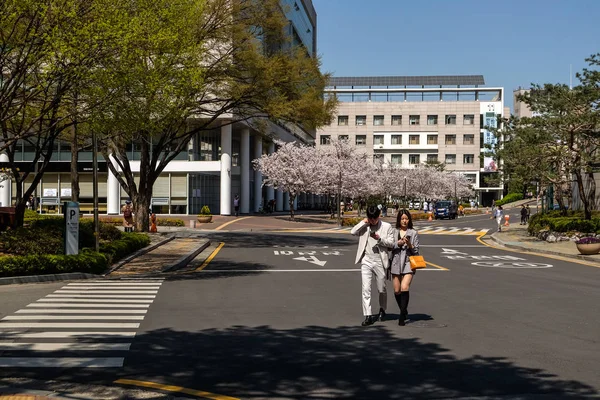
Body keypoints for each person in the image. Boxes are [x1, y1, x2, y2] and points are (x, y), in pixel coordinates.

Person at [351, 205, 395, 326]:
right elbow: (353, 231)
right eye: (370, 218)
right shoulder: (365, 225)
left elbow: (391, 243)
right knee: (366, 288)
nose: (372, 221)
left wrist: (379, 239)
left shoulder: (386, 226)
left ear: (379, 216)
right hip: (366, 259)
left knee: (382, 288)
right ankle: (368, 315)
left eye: (374, 219)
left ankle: (382, 309)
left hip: (380, 260)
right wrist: (363, 222)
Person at [389, 209, 420, 326]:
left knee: (404, 287)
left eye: (406, 219)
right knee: (397, 290)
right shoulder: (394, 231)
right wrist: (399, 243)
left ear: (409, 220)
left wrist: (409, 244)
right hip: (396, 262)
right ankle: (404, 309)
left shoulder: (413, 233)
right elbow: (390, 246)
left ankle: (402, 315)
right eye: (402, 219)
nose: (404, 221)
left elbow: (416, 251)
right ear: (399, 220)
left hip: (408, 262)